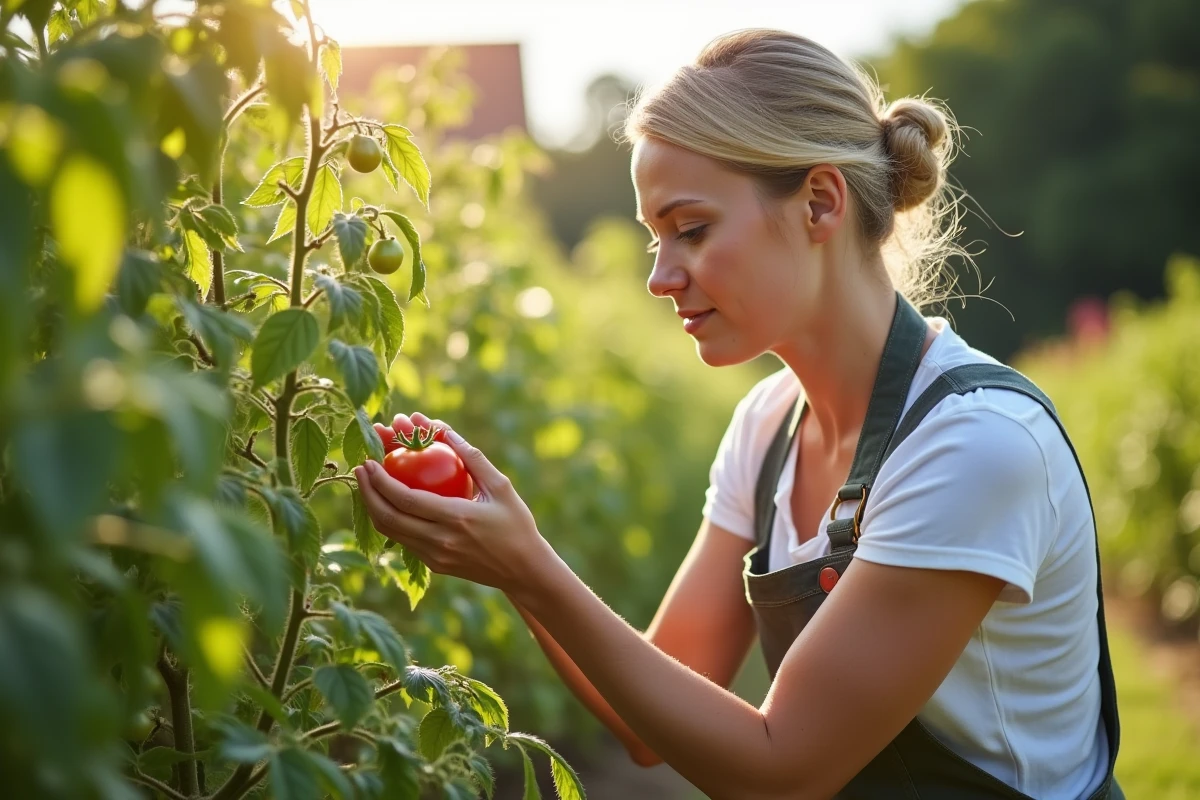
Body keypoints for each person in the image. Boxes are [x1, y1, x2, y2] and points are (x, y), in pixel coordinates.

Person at [352, 28, 1122, 799]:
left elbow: (780, 769)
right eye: (655, 238)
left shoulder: (973, 446)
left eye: (691, 229)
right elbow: (649, 720)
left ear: (820, 203)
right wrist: (508, 559)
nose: (660, 276)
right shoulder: (768, 428)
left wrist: (529, 567)